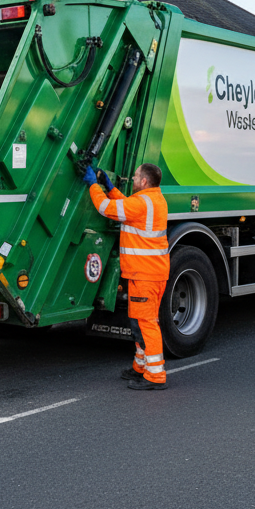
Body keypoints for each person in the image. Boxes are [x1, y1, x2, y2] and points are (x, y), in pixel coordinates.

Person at [85, 162, 170, 390]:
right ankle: (140, 367)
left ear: (144, 181)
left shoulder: (142, 203)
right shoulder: (152, 200)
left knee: (146, 323)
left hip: (145, 274)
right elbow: (126, 206)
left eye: (135, 176)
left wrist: (94, 184)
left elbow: (106, 208)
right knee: (138, 322)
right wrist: (110, 187)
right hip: (147, 273)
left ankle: (155, 376)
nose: (132, 178)